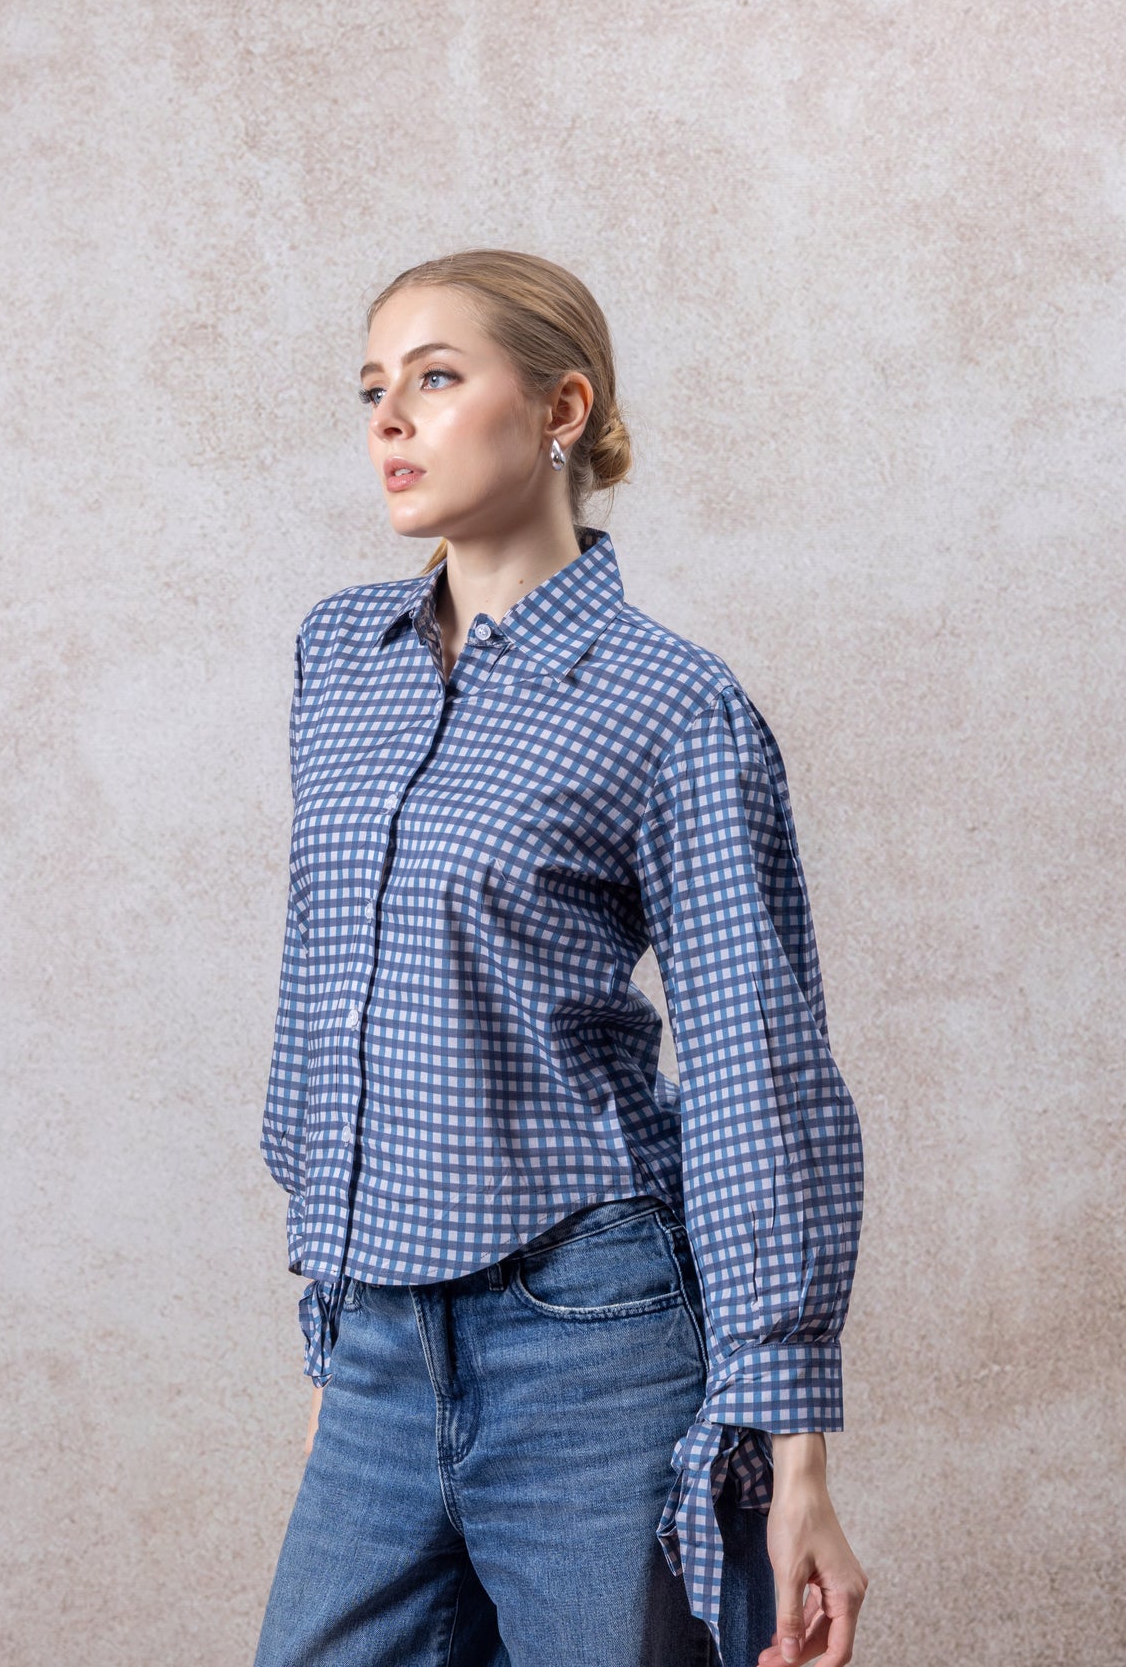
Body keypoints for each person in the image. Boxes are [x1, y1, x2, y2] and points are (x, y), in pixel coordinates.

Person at [252, 248, 867, 1667]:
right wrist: (335, 1320)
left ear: (561, 409)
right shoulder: (340, 659)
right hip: (379, 1341)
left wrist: (796, 1458)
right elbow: (318, 990)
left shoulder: (673, 705)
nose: (388, 419)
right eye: (372, 388)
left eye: (436, 378)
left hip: (589, 1337)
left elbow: (756, 1069)